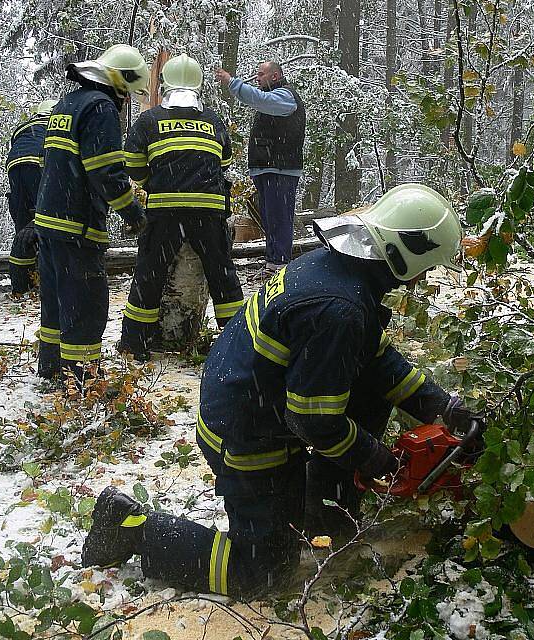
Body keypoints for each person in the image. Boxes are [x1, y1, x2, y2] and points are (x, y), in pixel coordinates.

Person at [82, 183, 484, 599]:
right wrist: (377, 459)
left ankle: (326, 516)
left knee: (367, 392)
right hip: (245, 428)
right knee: (263, 575)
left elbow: (377, 362)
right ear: (407, 252)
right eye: (428, 266)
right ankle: (131, 527)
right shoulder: (340, 307)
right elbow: (315, 421)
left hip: (255, 397)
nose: (426, 276)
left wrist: (443, 407)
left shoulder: (341, 270)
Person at [34, 45, 149, 384]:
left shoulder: (67, 103)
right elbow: (105, 171)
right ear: (118, 82)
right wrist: (132, 212)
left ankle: (53, 371)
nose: (126, 101)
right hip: (77, 225)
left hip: (49, 220)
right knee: (85, 306)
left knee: (56, 302)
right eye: (127, 93)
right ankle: (81, 379)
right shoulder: (100, 108)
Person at [118, 53, 244, 361]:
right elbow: (224, 164)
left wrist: (156, 181)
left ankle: (135, 345)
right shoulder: (213, 120)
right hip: (210, 209)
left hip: (165, 209)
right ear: (198, 87)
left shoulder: (148, 121)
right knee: (222, 274)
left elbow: (133, 166)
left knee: (150, 273)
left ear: (163, 86)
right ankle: (239, 342)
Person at [215, 61, 306, 272]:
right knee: (269, 219)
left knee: (279, 219)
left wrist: (232, 83)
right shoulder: (274, 97)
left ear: (275, 76)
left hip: (280, 169)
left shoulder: (285, 96)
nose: (257, 78)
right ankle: (273, 264)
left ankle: (280, 266)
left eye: (261, 74)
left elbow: (260, 99)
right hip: (268, 168)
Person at [6, 98, 57, 295]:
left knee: (23, 222)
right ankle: (46, 276)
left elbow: (15, 143)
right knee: (45, 218)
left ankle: (22, 283)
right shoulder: (54, 123)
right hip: (39, 161)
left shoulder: (25, 126)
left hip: (14, 165)